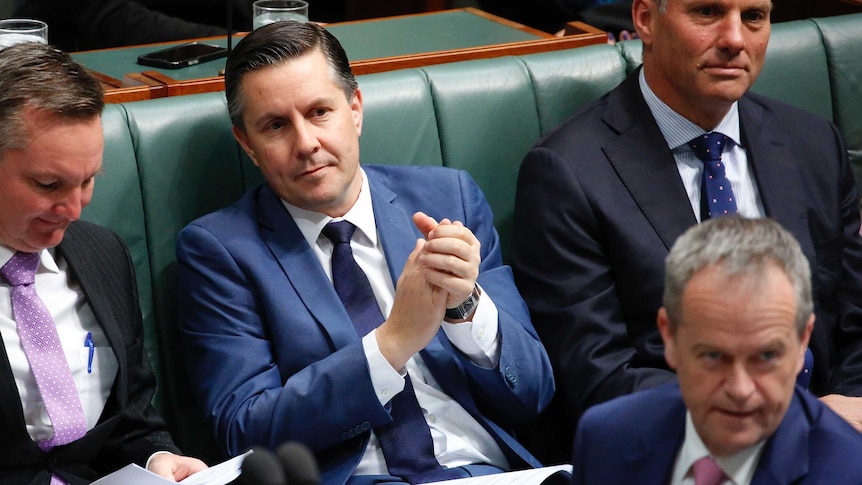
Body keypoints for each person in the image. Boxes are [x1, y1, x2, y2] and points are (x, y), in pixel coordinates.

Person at [175, 21, 555, 485]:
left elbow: (534, 392)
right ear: (247, 145)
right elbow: (244, 429)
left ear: (355, 109)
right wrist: (392, 343)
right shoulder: (219, 251)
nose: (306, 144)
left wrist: (466, 307)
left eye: (319, 112)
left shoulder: (447, 198)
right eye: (275, 125)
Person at [511, 0, 862, 464]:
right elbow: (598, 376)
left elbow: (856, 316)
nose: (735, 39)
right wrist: (795, 422)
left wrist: (847, 409)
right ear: (644, 20)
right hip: (678, 450)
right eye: (707, 12)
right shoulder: (567, 172)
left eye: (754, 17)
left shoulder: (813, 142)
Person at [0, 42, 207, 483]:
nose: (75, 209)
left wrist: (157, 460)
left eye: (89, 179)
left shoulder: (101, 254)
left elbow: (131, 420)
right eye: (49, 183)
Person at [572, 216, 862, 484]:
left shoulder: (850, 472)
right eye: (713, 356)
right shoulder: (606, 439)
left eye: (766, 357)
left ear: (802, 342)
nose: (740, 389)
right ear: (669, 336)